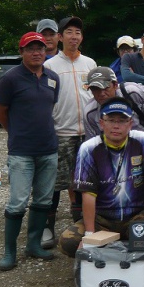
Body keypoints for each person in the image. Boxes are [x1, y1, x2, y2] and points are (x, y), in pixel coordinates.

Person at [57, 98, 144, 257]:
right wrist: (90, 235)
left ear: (130, 124)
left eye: (122, 121)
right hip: (102, 218)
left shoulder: (142, 140)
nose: (116, 126)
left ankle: (125, 248)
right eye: (111, 120)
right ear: (101, 123)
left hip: (137, 215)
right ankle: (110, 249)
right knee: (68, 241)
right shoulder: (88, 149)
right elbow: (87, 195)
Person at [0, 32, 59, 270]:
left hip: (49, 149)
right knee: (17, 202)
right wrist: (15, 132)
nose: (36, 52)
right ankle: (9, 251)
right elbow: (1, 111)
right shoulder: (10, 79)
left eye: (40, 48)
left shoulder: (52, 78)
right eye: (30, 48)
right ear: (21, 52)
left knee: (43, 199)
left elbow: (50, 107)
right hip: (21, 151)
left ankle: (33, 244)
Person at [44, 15, 97, 248]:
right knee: (56, 181)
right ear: (59, 37)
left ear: (82, 37)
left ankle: (81, 222)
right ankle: (47, 226)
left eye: (77, 32)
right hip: (61, 131)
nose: (73, 36)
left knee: (83, 180)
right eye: (68, 32)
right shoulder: (49, 66)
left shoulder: (90, 64)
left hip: (88, 133)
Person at [82, 66, 144, 142]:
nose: (101, 93)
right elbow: (92, 142)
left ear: (115, 85)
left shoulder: (132, 91)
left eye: (106, 87)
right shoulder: (89, 112)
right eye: (95, 89)